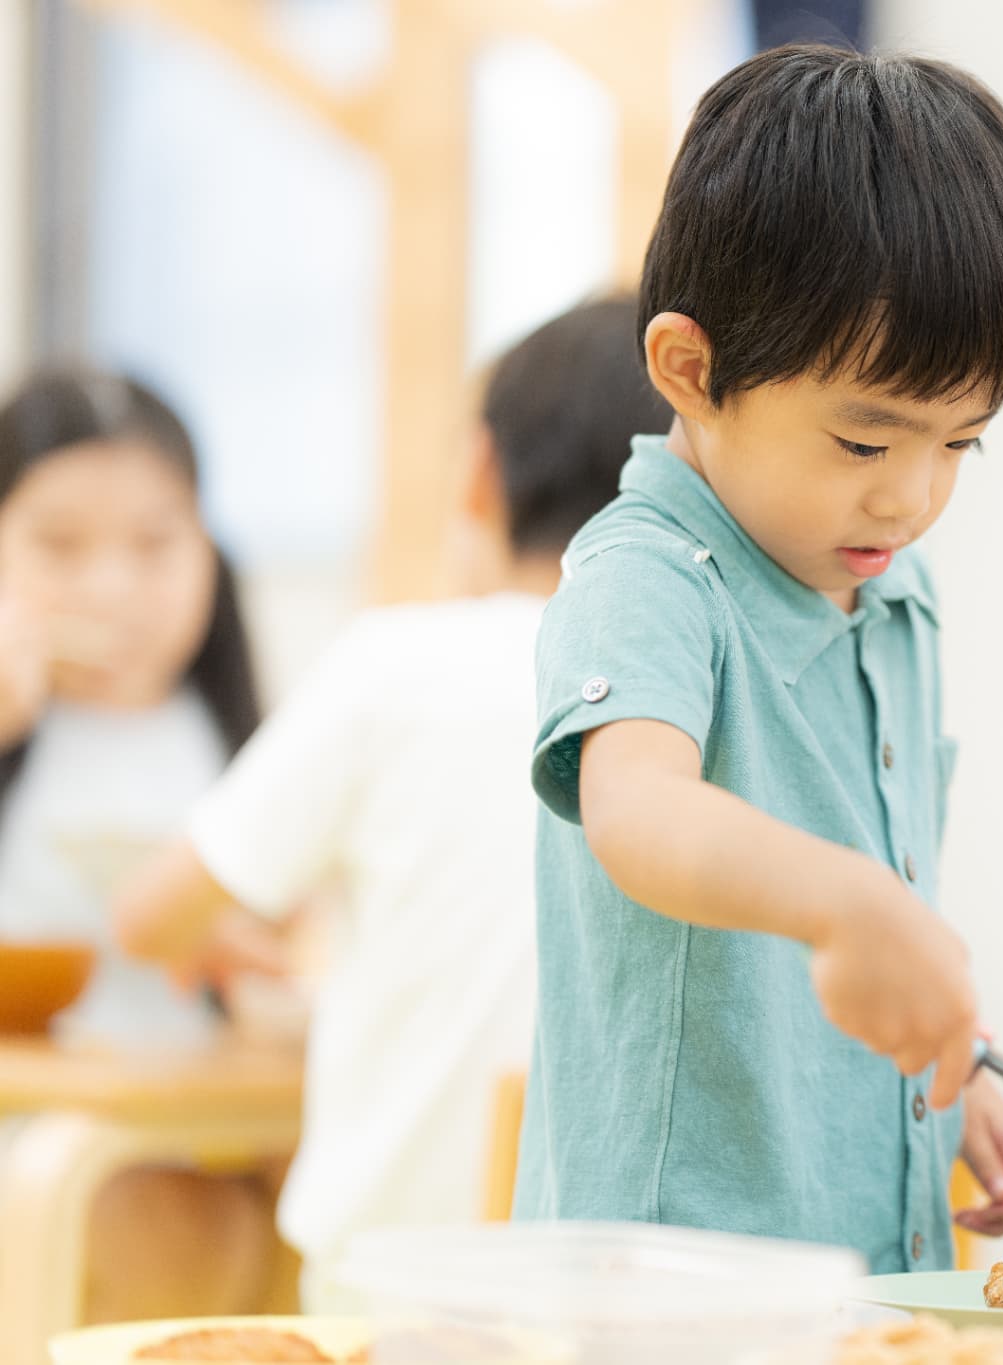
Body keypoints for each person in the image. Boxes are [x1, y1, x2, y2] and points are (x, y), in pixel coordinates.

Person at [511, 44, 1003, 1273]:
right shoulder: (648, 573)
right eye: (864, 441)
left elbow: (860, 926)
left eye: (960, 443)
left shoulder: (891, 590)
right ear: (690, 372)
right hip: (665, 1295)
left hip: (863, 1271)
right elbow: (637, 813)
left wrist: (940, 1084)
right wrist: (850, 903)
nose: (911, 498)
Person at [113, 296, 669, 1304]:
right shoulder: (693, 693)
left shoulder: (398, 663)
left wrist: (226, 937)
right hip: (626, 1283)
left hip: (393, 1275)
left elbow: (149, 914)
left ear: (479, 475)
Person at [0, 365, 274, 1320]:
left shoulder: (245, 743)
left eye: (155, 544)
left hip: (197, 1139)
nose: (112, 586)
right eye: (59, 546)